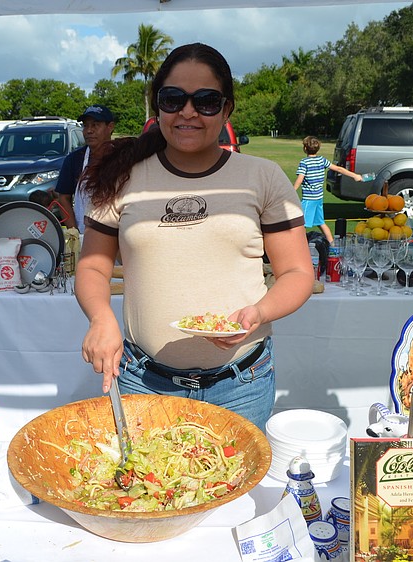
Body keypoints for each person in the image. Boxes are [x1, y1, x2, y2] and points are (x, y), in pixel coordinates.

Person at [75, 43, 313, 430]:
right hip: (145, 381)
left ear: (226, 109)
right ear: (158, 107)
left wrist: (259, 313)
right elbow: (92, 269)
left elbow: (298, 274)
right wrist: (100, 318)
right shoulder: (123, 177)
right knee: (149, 489)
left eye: (205, 101)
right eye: (173, 99)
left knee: (232, 491)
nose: (188, 112)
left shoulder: (263, 177)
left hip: (241, 385)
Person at [55, 104, 116, 233]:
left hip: (118, 234)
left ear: (110, 127)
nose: (89, 130)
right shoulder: (74, 160)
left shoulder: (123, 158)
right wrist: (74, 232)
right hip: (85, 235)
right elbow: (63, 198)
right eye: (86, 125)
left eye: (95, 125)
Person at [292, 135, 362, 244]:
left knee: (301, 225)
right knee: (321, 223)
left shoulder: (304, 163)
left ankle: (299, 247)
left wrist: (291, 191)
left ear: (305, 148)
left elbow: (300, 179)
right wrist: (354, 175)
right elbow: (338, 168)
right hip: (318, 199)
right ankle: (332, 245)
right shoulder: (322, 160)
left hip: (309, 200)